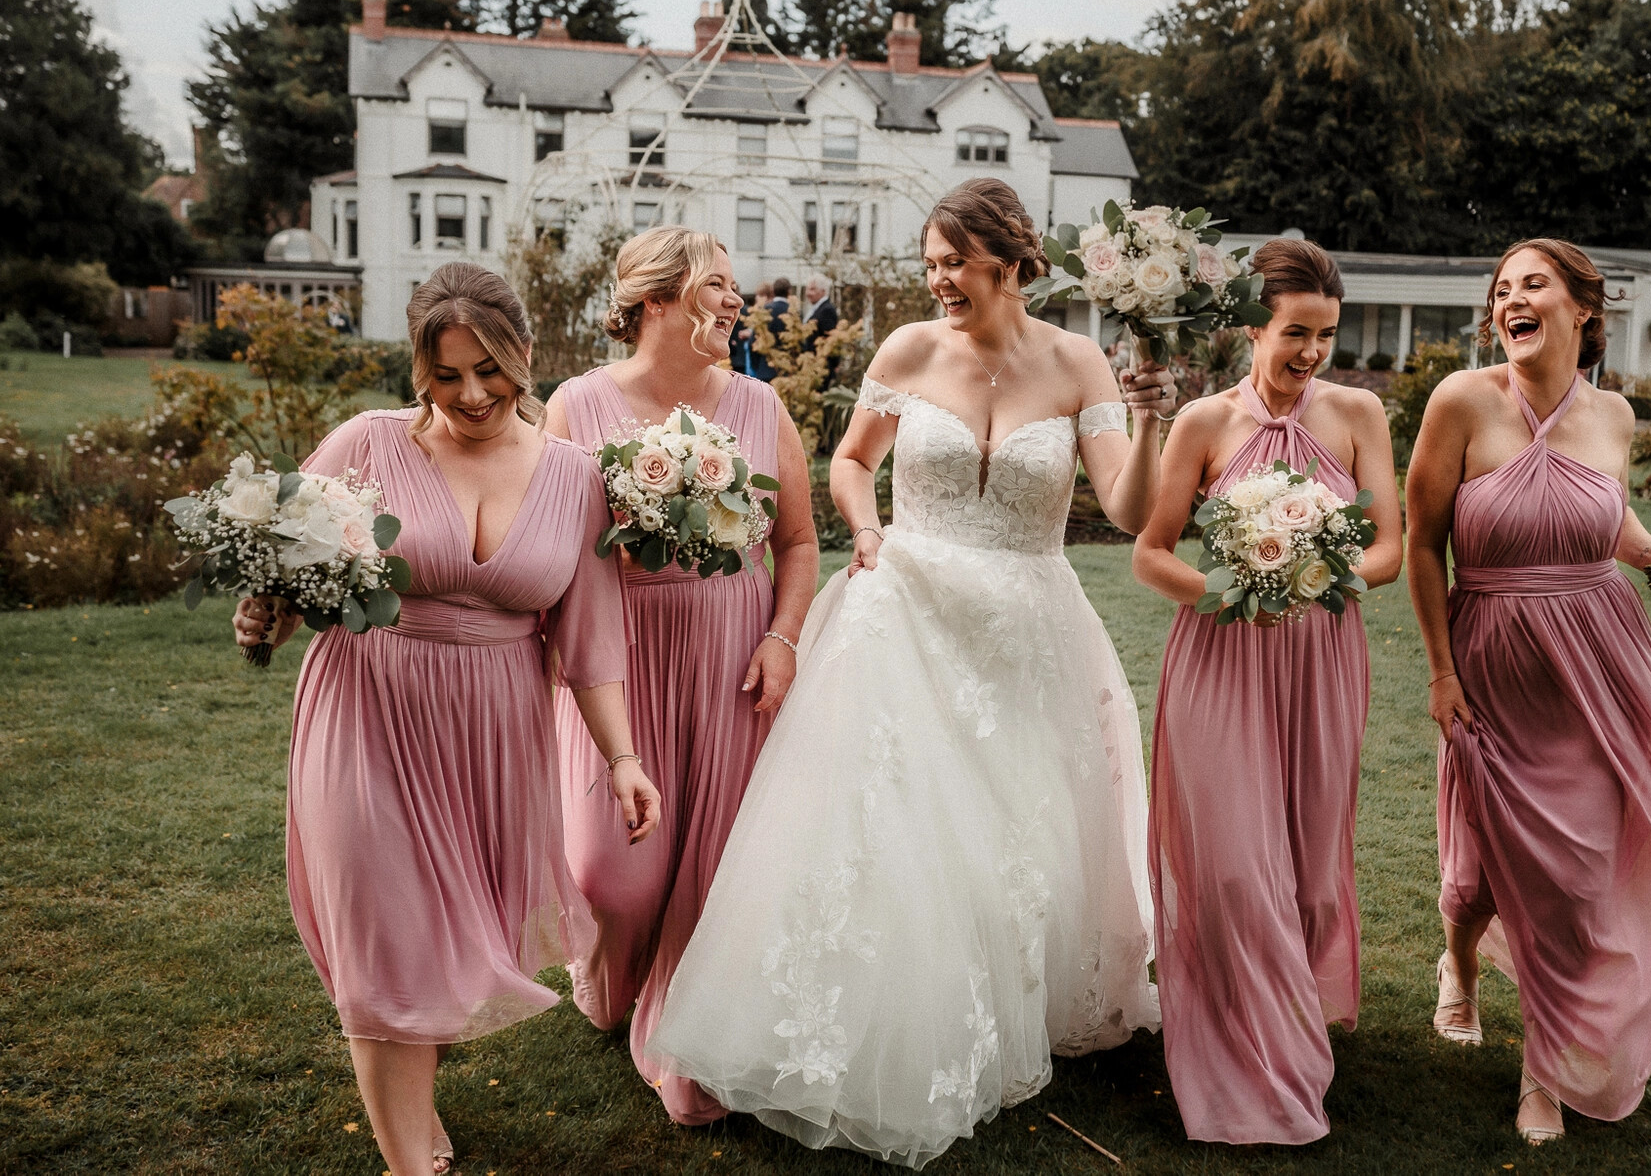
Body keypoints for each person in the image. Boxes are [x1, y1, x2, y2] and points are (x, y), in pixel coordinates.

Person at [649, 177, 1176, 1168]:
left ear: (1010, 263)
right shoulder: (905, 350)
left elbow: (1129, 503)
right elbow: (851, 459)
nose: (936, 279)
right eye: (929, 263)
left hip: (1026, 623)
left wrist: (1147, 419)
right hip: (907, 601)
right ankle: (874, 1014)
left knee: (1011, 824)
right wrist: (867, 526)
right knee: (892, 820)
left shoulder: (1077, 363)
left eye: (953, 264)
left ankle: (994, 997)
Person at [232, 263, 662, 1176]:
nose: (471, 394)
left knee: (438, 942)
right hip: (367, 711)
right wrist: (263, 601)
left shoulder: (577, 476)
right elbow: (286, 563)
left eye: (489, 370)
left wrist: (623, 756)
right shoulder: (365, 444)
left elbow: (589, 638)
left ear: (526, 355)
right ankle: (408, 1161)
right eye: (447, 374)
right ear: (419, 371)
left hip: (495, 731)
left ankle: (413, 1117)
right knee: (387, 937)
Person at [1404, 238, 1651, 1146]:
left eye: (1533, 284)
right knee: (1476, 880)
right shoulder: (1461, 400)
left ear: (1584, 309)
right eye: (1501, 289)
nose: (1511, 300)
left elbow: (1605, 512)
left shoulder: (1613, 415)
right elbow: (1425, 543)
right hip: (1492, 662)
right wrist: (1440, 667)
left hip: (1599, 672)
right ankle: (1457, 968)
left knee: (1576, 879)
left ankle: (1546, 1071)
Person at [1132, 238, 1403, 1144]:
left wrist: (1318, 577)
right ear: (1255, 324)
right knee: (1238, 871)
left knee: (1313, 878)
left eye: (1325, 334)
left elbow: (1389, 549)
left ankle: (1288, 1024)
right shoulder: (1205, 423)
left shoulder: (1361, 413)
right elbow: (1151, 550)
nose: (1311, 352)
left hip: (1323, 659)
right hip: (1221, 659)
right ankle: (1256, 1070)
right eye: (1296, 331)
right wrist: (1231, 586)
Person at [544, 228, 818, 1122]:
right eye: (716, 286)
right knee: (608, 875)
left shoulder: (761, 406)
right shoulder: (575, 407)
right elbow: (547, 545)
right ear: (655, 299)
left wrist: (782, 637)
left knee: (711, 874)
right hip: (612, 665)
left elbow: (801, 542)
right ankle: (609, 971)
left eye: (736, 287)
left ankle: (687, 1030)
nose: (735, 301)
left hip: (731, 661)